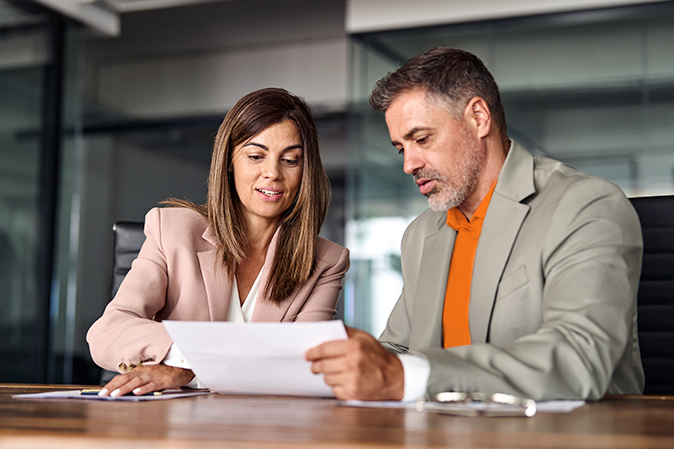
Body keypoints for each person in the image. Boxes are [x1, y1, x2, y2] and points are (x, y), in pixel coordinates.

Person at [306, 47, 644, 402]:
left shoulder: (584, 205)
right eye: (400, 148)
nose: (409, 164)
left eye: (421, 139)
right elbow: (398, 351)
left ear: (479, 117)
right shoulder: (421, 235)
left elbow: (579, 358)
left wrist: (408, 375)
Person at [88, 87, 350, 397]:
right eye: (255, 156)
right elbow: (108, 332)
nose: (272, 173)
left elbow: (307, 367)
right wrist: (184, 360)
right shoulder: (171, 230)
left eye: (290, 160)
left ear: (306, 171)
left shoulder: (326, 261)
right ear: (229, 161)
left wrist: (193, 367)